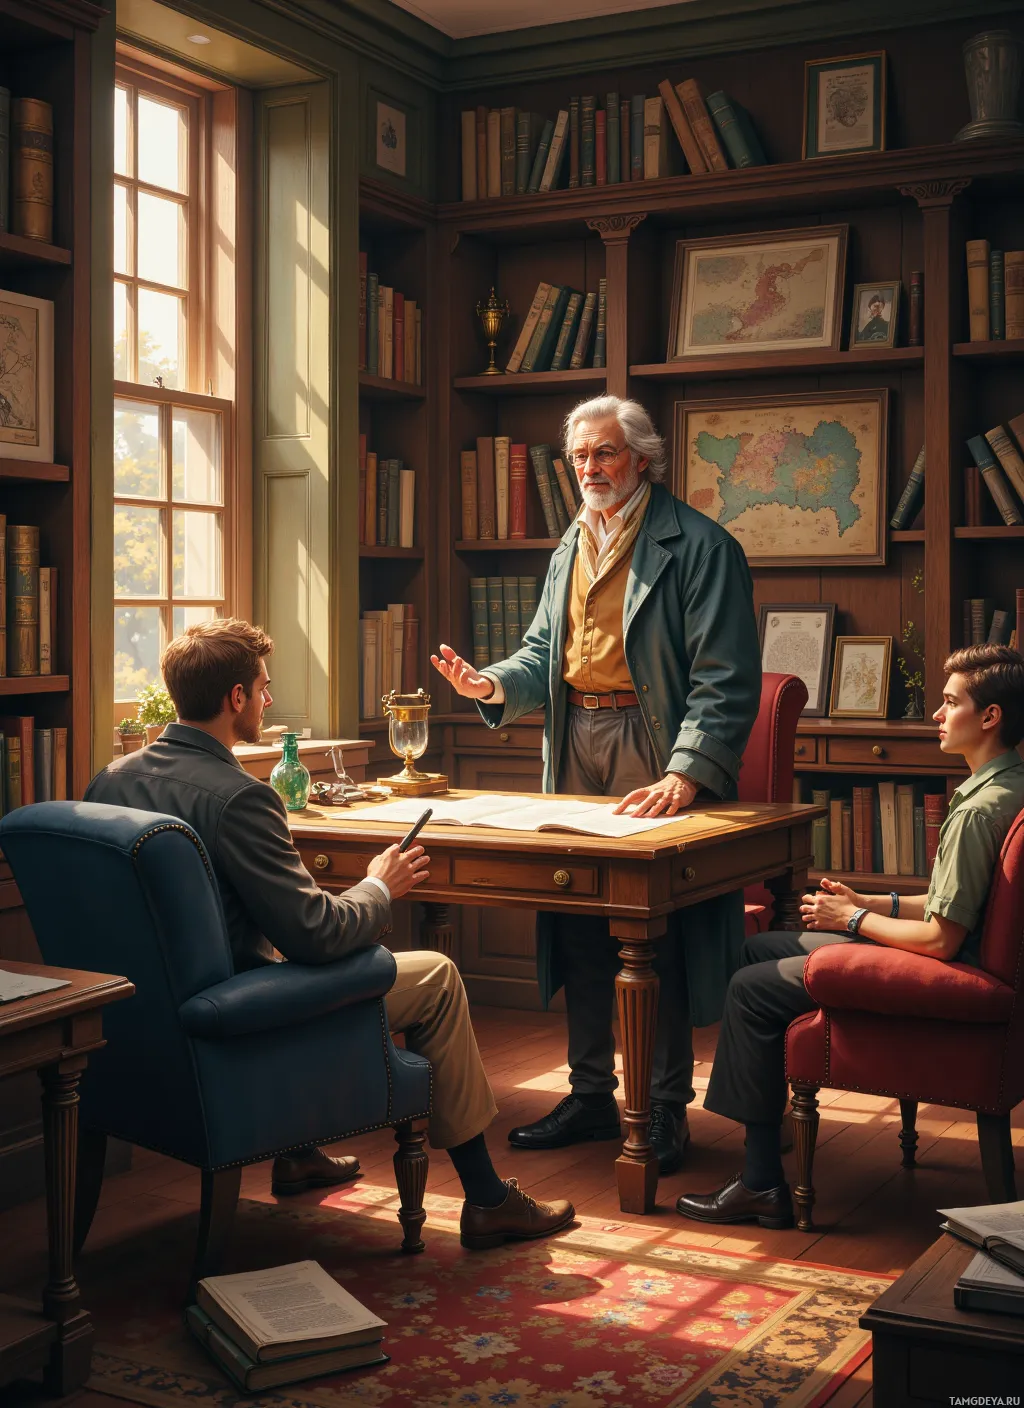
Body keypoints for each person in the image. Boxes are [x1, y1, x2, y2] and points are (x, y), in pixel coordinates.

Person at [85, 618, 574, 1251]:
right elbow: (317, 935)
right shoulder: (241, 798)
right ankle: (486, 1200)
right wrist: (379, 885)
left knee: (274, 942)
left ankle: (298, 1155)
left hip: (136, 1021)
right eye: (263, 687)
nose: (268, 699)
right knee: (437, 975)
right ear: (235, 697)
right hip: (236, 1021)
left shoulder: (109, 779)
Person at [431, 395, 761, 1174]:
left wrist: (686, 771)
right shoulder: (570, 544)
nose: (589, 468)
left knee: (653, 930)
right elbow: (542, 653)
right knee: (578, 918)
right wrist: (490, 685)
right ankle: (589, 1096)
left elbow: (725, 678)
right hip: (572, 738)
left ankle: (664, 1106)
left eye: (604, 453)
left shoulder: (701, 546)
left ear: (641, 458)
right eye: (579, 456)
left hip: (653, 740)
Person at [676, 644, 1024, 1229]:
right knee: (760, 949)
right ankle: (769, 1120)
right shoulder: (1009, 788)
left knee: (751, 988)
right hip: (969, 960)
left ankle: (760, 1181)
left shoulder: (975, 812)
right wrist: (869, 902)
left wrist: (851, 922)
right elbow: (958, 904)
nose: (937, 715)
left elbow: (941, 940)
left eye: (950, 702)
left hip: (949, 972)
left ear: (990, 717)